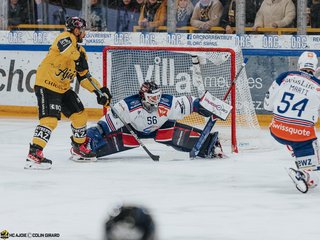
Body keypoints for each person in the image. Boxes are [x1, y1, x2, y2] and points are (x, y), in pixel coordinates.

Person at [25, 17, 112, 170]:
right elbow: (66, 49)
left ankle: (78, 149)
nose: (84, 34)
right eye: (82, 30)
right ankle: (34, 154)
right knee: (50, 121)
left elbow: (84, 77)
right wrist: (78, 58)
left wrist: (99, 91)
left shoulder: (81, 52)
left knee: (80, 115)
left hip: (64, 88)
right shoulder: (65, 38)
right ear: (76, 30)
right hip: (46, 85)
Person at [87, 81, 231, 159]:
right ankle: (86, 147)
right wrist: (97, 131)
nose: (157, 100)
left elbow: (191, 103)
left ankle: (210, 145)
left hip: (161, 129)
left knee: (169, 133)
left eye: (158, 96)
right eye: (152, 97)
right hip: (133, 132)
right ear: (143, 97)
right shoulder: (128, 106)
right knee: (110, 141)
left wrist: (206, 106)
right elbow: (107, 123)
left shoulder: (167, 103)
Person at [264, 51, 320, 193]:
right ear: (315, 66)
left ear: (299, 64)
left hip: (277, 131)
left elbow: (267, 105)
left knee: (294, 137)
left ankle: (303, 164)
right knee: (316, 169)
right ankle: (305, 173)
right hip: (302, 136)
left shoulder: (285, 76)